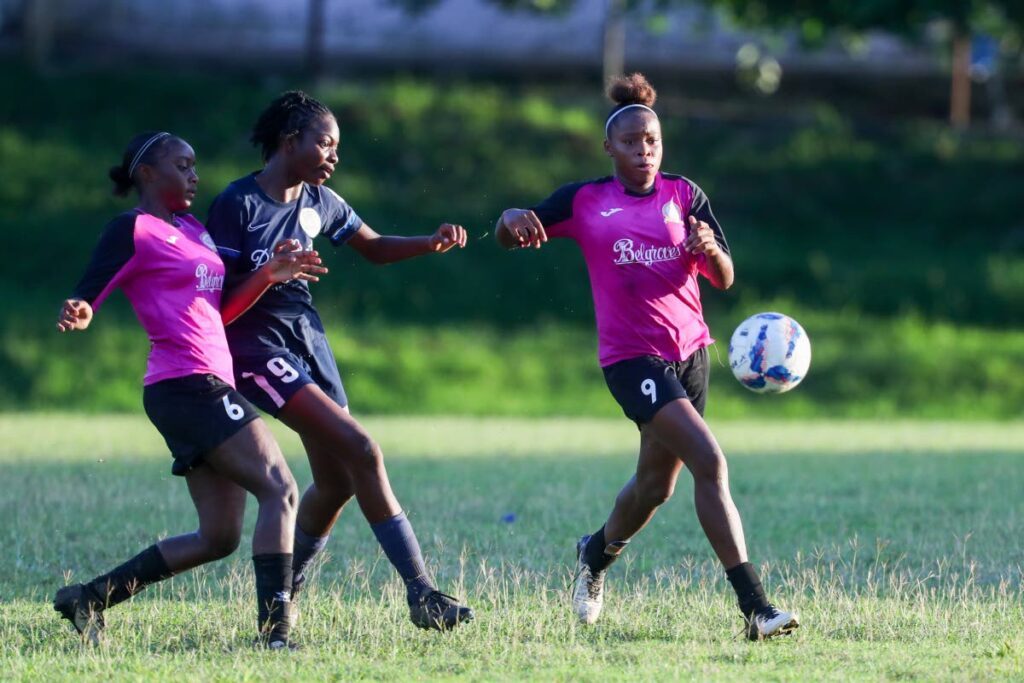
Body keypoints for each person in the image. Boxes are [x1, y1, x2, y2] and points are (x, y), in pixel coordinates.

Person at [493, 74, 799, 640]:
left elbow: (725, 278)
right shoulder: (585, 201)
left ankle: (594, 555)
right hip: (632, 361)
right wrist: (510, 218)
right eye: (631, 142)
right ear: (609, 148)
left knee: (656, 487)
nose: (644, 151)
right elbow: (513, 232)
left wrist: (710, 251)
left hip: (692, 355)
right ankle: (756, 607)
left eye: (652, 141)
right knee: (711, 463)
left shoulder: (685, 196)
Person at [205, 91, 472, 631]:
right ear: (289, 142)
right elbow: (216, 301)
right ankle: (421, 593)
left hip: (309, 342)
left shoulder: (319, 201)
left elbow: (372, 247)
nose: (333, 156)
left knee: (336, 483)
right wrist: (267, 275)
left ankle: (285, 592)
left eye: (337, 147)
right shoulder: (237, 205)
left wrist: (429, 242)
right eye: (325, 143)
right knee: (363, 450)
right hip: (259, 348)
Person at [54, 130, 325, 649]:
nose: (194, 175)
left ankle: (89, 597)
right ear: (148, 173)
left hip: (204, 383)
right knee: (281, 488)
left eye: (195, 166)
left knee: (218, 536)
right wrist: (82, 309)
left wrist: (269, 274)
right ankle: (276, 635)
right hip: (185, 383)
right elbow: (90, 291)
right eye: (183, 165)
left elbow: (218, 311)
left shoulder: (196, 231)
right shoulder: (134, 229)